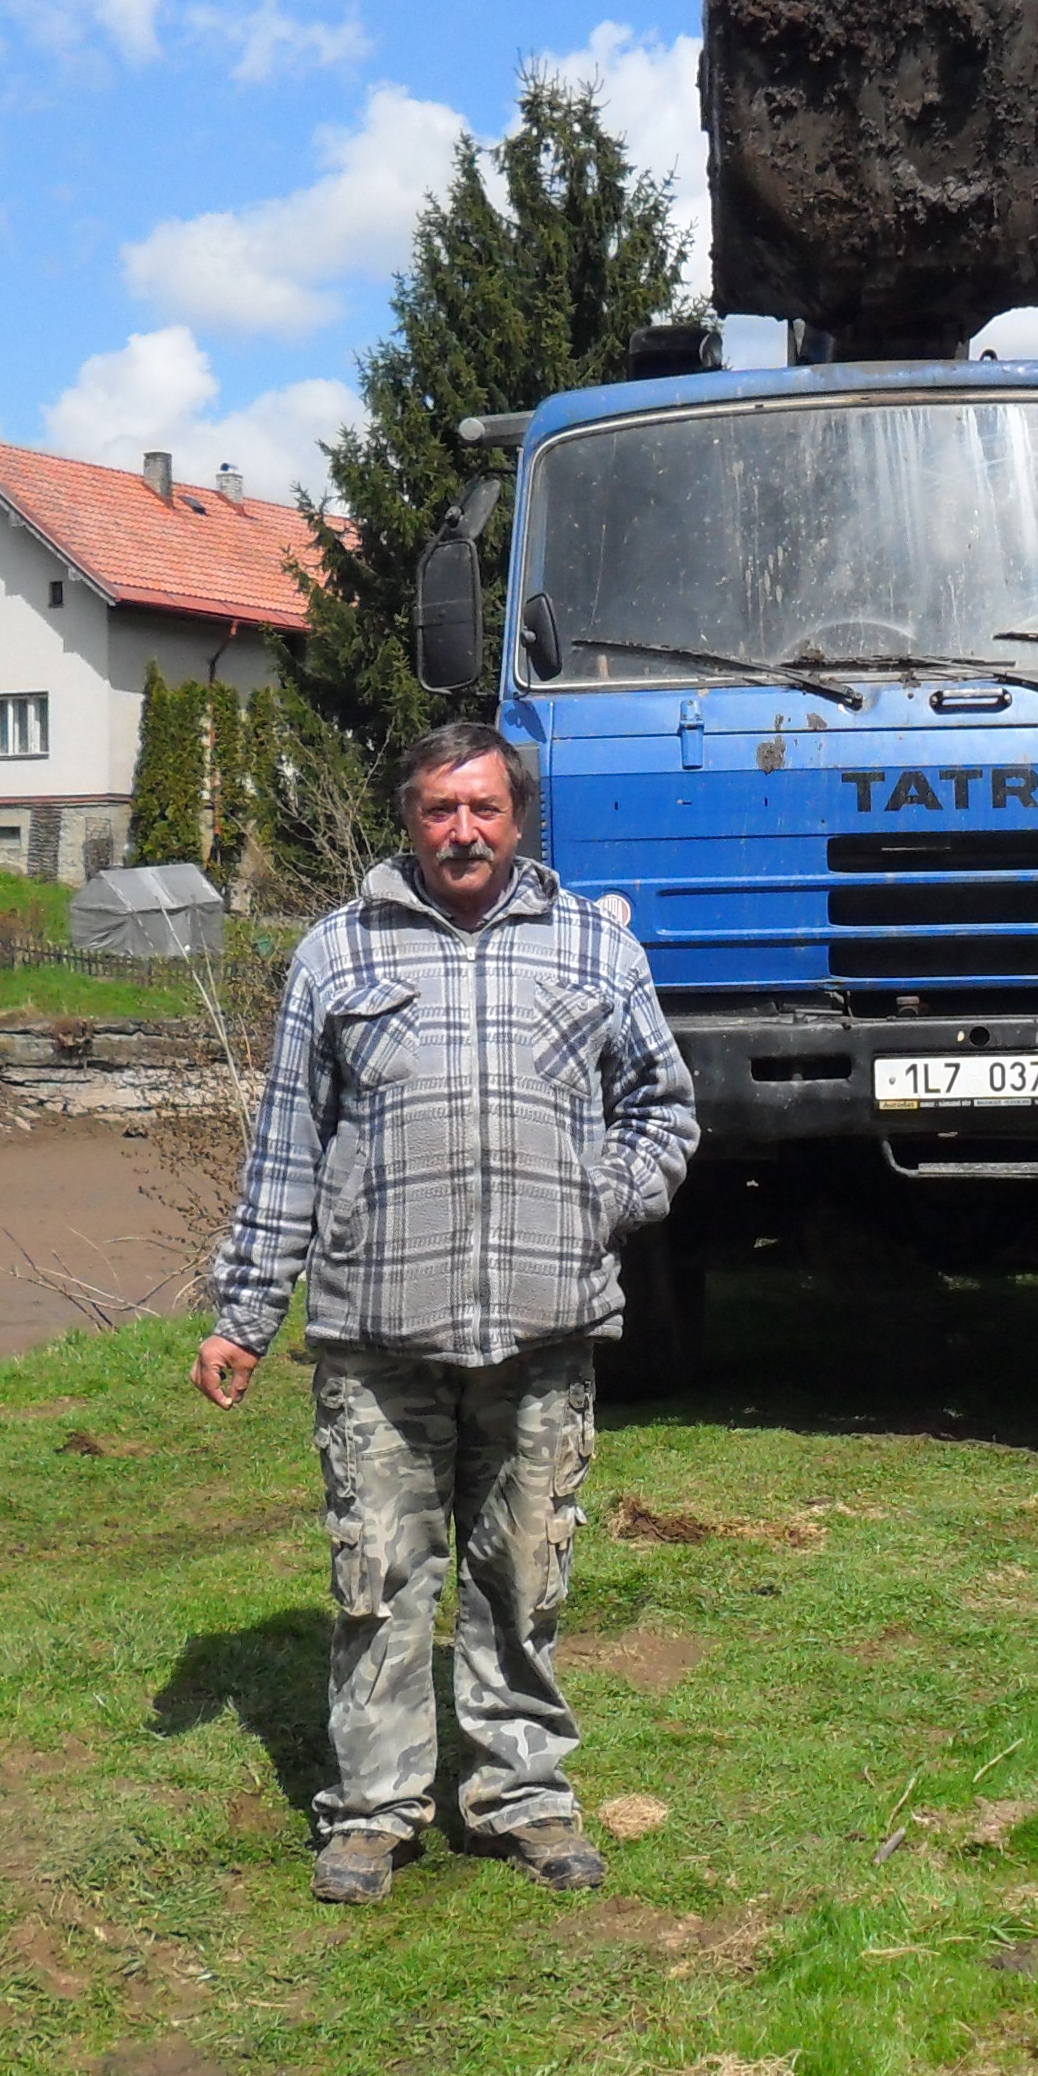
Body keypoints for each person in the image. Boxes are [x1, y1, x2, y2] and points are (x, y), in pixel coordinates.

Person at [194, 721, 699, 1904]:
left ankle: (524, 1794)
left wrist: (596, 1201)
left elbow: (663, 1111)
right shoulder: (337, 952)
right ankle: (373, 1812)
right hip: (378, 1335)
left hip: (544, 1327)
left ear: (518, 818)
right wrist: (243, 1314)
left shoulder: (596, 949)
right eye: (439, 809)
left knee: (523, 1574)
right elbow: (287, 1148)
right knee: (377, 1578)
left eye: (483, 808)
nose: (462, 831)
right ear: (410, 820)